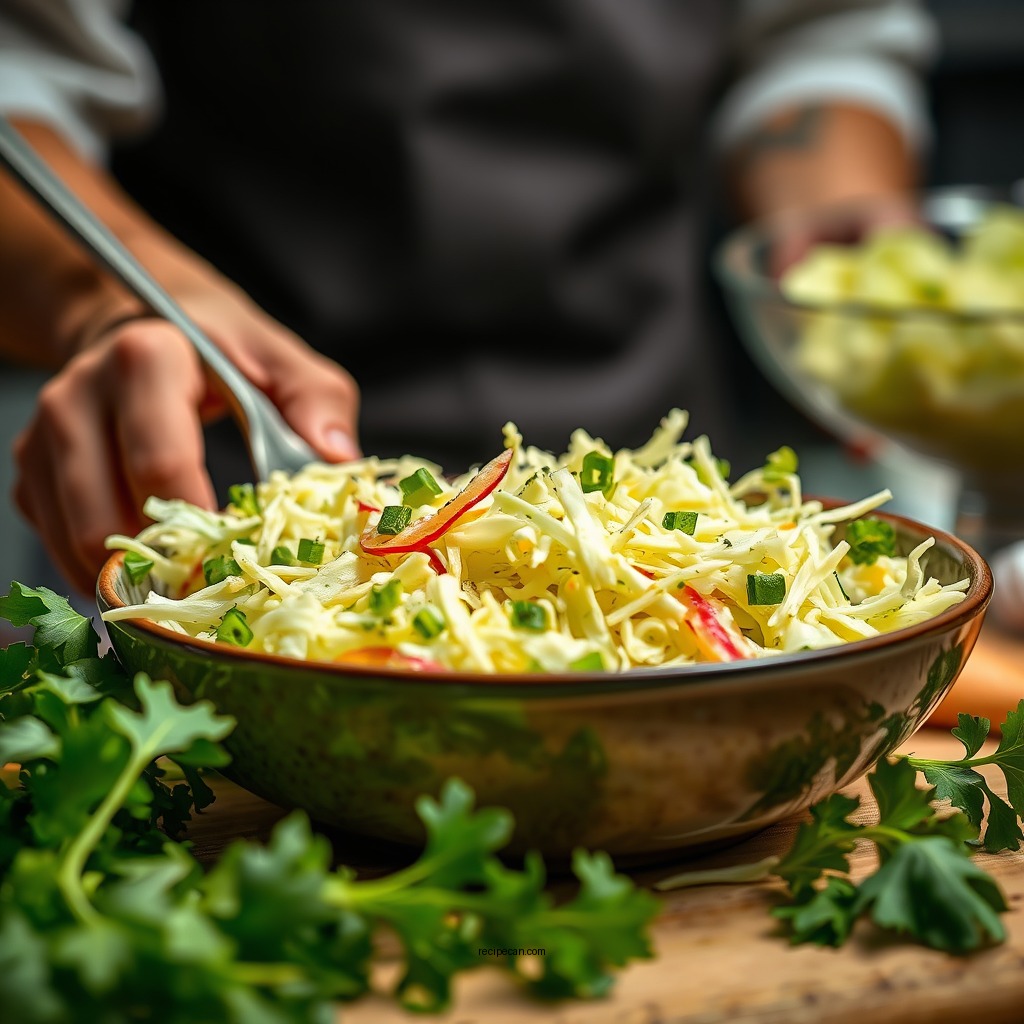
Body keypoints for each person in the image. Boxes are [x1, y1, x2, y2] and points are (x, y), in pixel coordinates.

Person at [0, 1, 936, 594]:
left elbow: (813, 36)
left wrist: (844, 267)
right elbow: (22, 72)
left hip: (669, 529)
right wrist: (109, 297)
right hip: (233, 485)